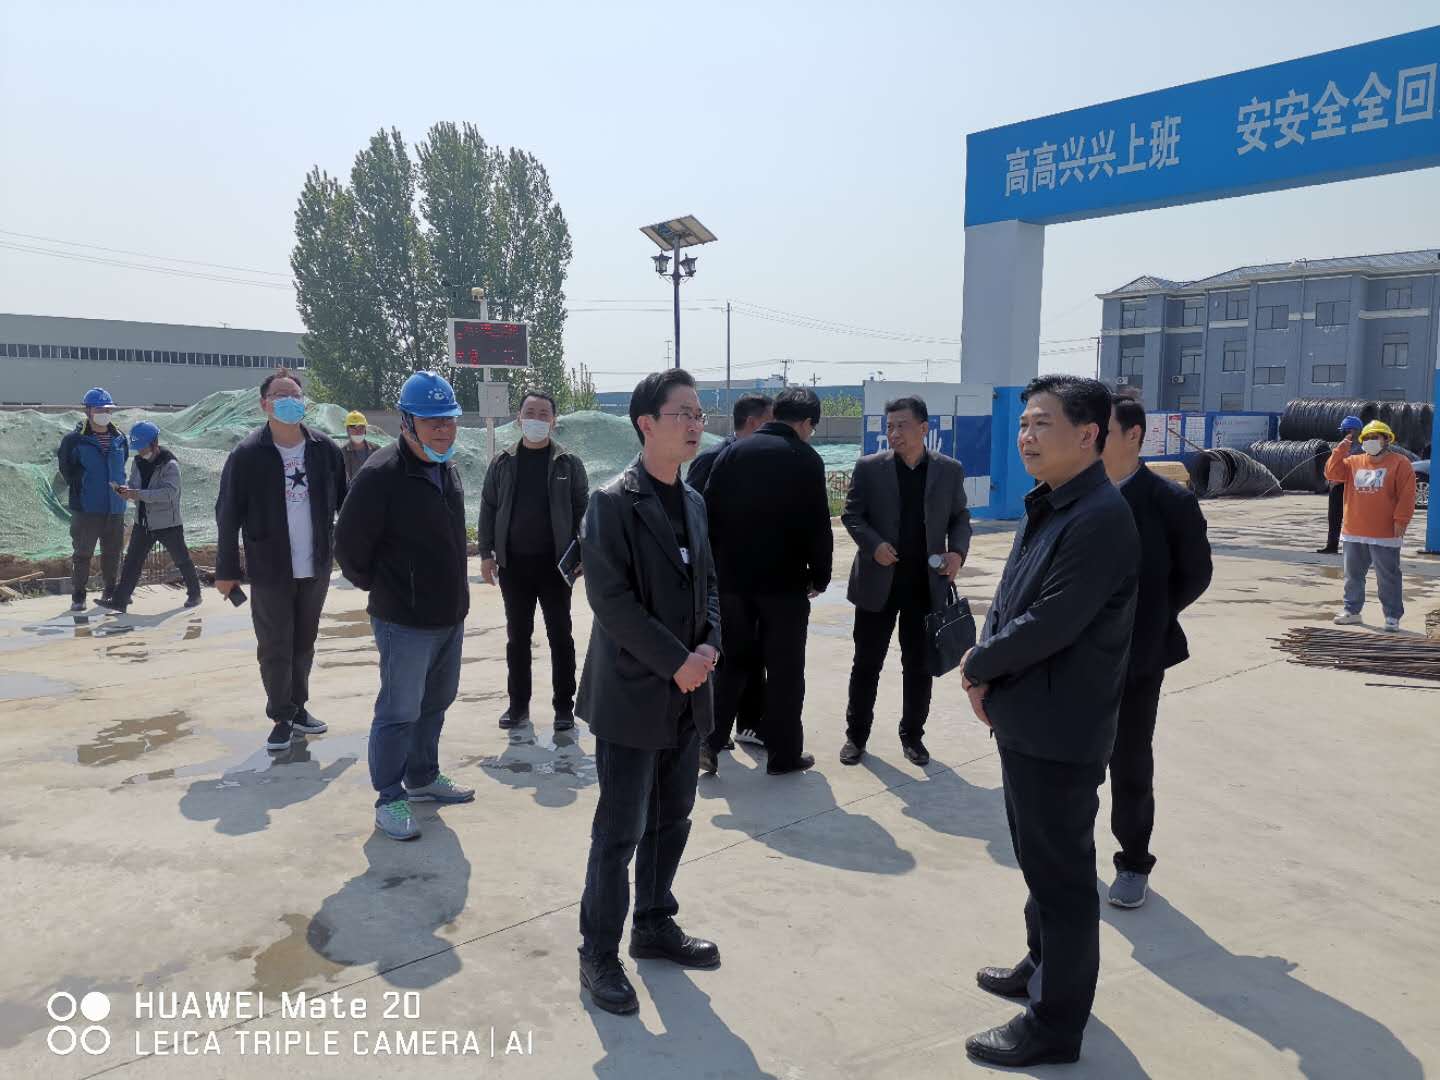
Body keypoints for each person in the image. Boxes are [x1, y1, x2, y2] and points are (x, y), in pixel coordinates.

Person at [959, 375, 1138, 1068]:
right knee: (1040, 863)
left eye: (1042, 424)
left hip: (1060, 726)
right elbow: (1013, 598)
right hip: (1029, 715)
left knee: (1062, 880)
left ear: (1088, 435)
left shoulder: (1098, 517)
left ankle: (1055, 1026)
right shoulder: (1054, 502)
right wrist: (988, 668)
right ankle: (1041, 966)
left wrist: (979, 664)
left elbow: (1051, 620)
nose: (1026, 437)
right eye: (1024, 424)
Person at [575, 368, 723, 1016]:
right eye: (682, 413)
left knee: (673, 816)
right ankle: (598, 954)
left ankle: (654, 923)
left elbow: (710, 584)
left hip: (688, 691)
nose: (695, 424)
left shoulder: (693, 501)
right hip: (633, 694)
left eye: (698, 414)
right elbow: (611, 601)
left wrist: (709, 645)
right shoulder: (611, 502)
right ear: (646, 424)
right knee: (619, 831)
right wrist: (675, 662)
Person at [336, 371, 475, 841]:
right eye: (432, 422)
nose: (443, 430)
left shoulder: (446, 467)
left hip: (450, 614)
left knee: (437, 702)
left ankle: (422, 776)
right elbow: (348, 547)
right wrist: (390, 589)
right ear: (407, 422)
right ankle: (389, 797)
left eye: (449, 420)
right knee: (398, 711)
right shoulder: (381, 475)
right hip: (404, 621)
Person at [1099, 398, 1213, 910]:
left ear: (1133, 436)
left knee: (1129, 761)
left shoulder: (1170, 501)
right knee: (1069, 764)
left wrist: (1151, 617)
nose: (1090, 439)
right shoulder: (1072, 494)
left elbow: (1196, 574)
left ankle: (1132, 862)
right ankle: (1068, 857)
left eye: (1102, 431)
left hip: (1137, 657)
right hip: (1073, 656)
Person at [700, 387, 832, 776]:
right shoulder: (805, 458)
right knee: (785, 670)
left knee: (732, 664)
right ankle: (783, 755)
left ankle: (709, 743)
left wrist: (716, 570)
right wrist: (820, 575)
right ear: (805, 423)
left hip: (733, 582)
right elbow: (818, 524)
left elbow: (707, 512)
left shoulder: (732, 453)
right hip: (785, 585)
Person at [215, 368, 347, 752]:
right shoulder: (247, 455)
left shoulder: (325, 449)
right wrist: (227, 570)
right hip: (270, 567)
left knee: (304, 642)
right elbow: (228, 514)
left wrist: (360, 554)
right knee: (275, 644)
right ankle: (281, 716)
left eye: (295, 395)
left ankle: (299, 707)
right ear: (264, 404)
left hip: (315, 564)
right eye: (280, 395)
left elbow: (347, 504)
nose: (289, 401)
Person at [839, 396, 971, 767]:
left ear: (924, 428)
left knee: (918, 666)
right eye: (890, 426)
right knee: (867, 664)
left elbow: (960, 517)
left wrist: (957, 554)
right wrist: (874, 545)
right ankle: (856, 736)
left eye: (902, 425)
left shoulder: (949, 470)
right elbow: (852, 515)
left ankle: (913, 735)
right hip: (877, 585)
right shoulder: (870, 468)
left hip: (924, 586)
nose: (894, 433)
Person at [477, 391, 591, 731]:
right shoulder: (502, 462)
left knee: (561, 636)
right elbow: (488, 507)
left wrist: (584, 553)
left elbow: (584, 513)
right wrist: (486, 554)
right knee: (517, 638)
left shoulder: (569, 463)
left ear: (554, 421)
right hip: (514, 567)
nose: (536, 419)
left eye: (544, 414)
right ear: (519, 418)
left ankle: (563, 707)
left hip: (556, 567)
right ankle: (518, 706)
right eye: (530, 412)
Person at [688, 392, 774, 748]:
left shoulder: (763, 461)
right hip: (720, 576)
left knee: (753, 651)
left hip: (754, 575)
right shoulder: (713, 459)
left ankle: (749, 724)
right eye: (772, 421)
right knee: (722, 653)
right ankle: (711, 729)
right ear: (754, 423)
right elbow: (691, 518)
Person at [1326, 419, 1415, 632]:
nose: (1370, 441)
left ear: (1386, 440)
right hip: (1354, 531)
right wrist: (1341, 449)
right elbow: (1331, 473)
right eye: (1367, 438)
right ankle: (1352, 611)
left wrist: (1401, 520)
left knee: (1388, 577)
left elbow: (1407, 494)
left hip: (1385, 532)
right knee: (1353, 576)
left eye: (1375, 437)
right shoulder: (1353, 462)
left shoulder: (1400, 463)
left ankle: (1392, 616)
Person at [108, 421, 203, 614]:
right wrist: (126, 490)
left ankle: (195, 594)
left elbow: (169, 493)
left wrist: (138, 494)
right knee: (132, 562)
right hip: (143, 522)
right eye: (137, 447)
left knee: (181, 559)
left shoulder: (170, 465)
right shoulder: (138, 462)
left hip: (168, 524)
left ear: (154, 443)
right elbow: (134, 484)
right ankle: (120, 600)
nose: (140, 451)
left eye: (142, 447)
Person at [57, 387, 129, 612]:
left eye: (107, 409)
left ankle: (110, 592)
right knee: (82, 554)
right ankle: (79, 595)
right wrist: (84, 486)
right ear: (88, 411)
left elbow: (121, 465)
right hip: (87, 508)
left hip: (115, 507)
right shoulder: (74, 440)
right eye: (99, 409)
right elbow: (66, 469)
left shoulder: (120, 438)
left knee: (113, 554)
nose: (104, 413)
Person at [685, 392, 773, 494]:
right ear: (752, 422)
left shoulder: (766, 457)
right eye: (771, 422)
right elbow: (690, 498)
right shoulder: (712, 457)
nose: (775, 427)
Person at [1317, 415, 1365, 554]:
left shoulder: (1362, 448)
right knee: (1334, 517)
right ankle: (1332, 545)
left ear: (1353, 431)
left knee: (1355, 518)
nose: (1342, 433)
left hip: (1353, 488)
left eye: (1345, 430)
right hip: (1337, 486)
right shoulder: (1342, 446)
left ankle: (1356, 548)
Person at [340, 410, 379, 484]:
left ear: (365, 430)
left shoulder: (376, 450)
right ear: (347, 430)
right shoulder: (341, 453)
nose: (358, 432)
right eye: (353, 428)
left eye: (361, 428)